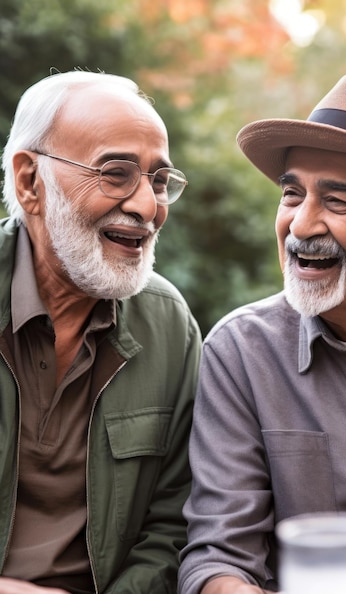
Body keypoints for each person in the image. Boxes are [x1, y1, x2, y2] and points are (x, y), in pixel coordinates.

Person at [178, 74, 346, 594]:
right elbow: (219, 557)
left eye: (337, 201)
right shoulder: (241, 353)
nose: (302, 225)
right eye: (292, 194)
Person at [0, 70, 201, 594]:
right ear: (29, 183)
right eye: (116, 173)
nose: (146, 206)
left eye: (159, 181)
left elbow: (176, 523)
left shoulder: (169, 326)